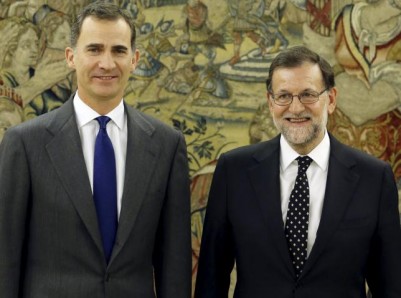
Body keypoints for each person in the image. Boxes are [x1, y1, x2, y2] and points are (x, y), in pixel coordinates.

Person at [0, 2, 191, 297]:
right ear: (70, 57)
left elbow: (174, 265)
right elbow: (6, 258)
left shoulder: (167, 145)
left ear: (134, 59)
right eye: (94, 49)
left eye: (118, 50)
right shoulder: (25, 144)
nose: (107, 63)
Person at [195, 46, 401, 297]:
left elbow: (391, 286)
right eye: (283, 96)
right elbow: (211, 280)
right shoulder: (234, 171)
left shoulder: (374, 178)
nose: (295, 108)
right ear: (271, 102)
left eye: (308, 95)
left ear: (332, 99)